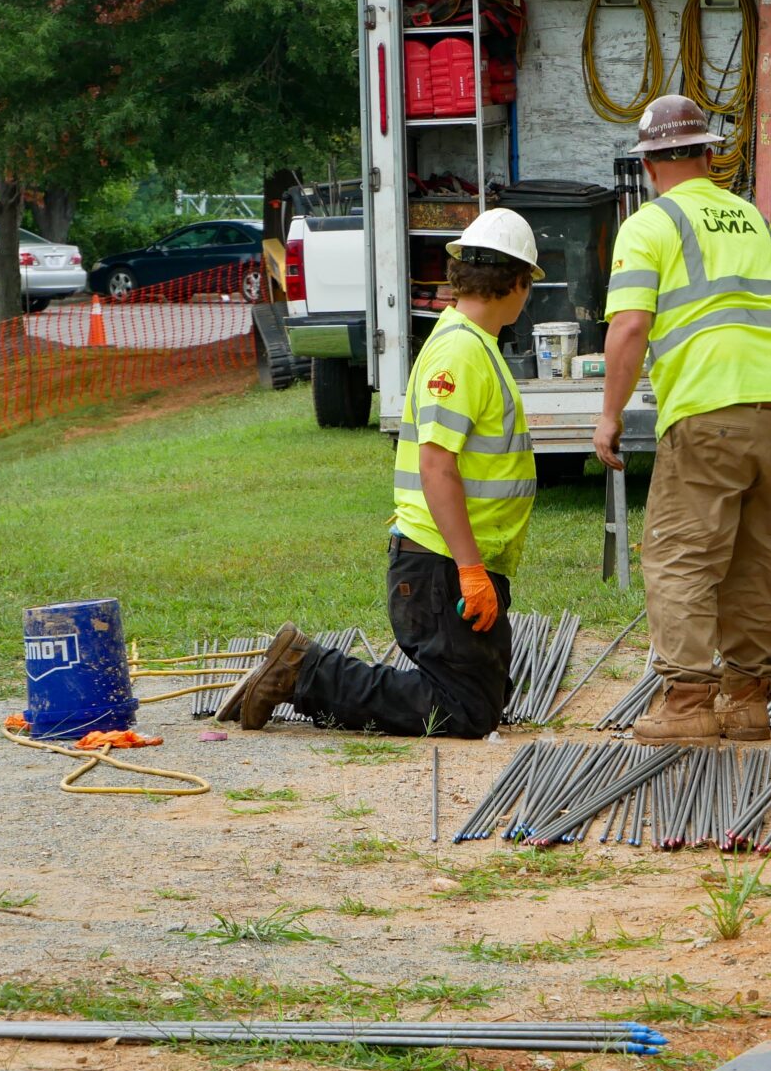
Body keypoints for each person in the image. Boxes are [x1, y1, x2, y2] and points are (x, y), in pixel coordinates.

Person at [218, 209, 543, 735]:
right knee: (465, 712)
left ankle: (304, 669)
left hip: (448, 562)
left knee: (482, 697)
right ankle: (303, 670)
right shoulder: (460, 352)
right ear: (518, 282)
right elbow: (437, 468)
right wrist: (470, 570)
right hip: (440, 567)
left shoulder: (469, 342)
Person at [595, 94, 771, 745]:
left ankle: (688, 702)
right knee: (752, 555)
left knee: (680, 556)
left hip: (711, 402)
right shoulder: (749, 218)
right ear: (707, 155)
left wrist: (608, 415)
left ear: (648, 164)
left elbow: (629, 326)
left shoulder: (649, 224)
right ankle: (746, 703)